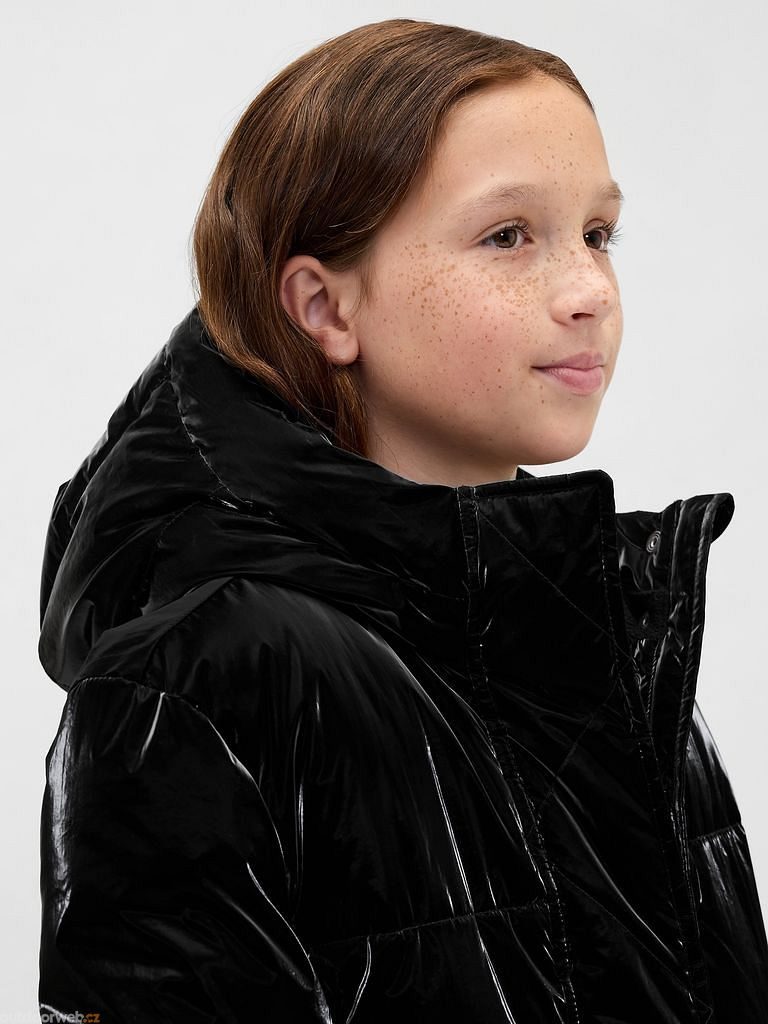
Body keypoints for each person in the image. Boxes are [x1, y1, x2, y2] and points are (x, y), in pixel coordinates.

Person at [37, 17, 768, 1023]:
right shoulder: (199, 683)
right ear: (325, 308)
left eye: (599, 234)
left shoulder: (616, 649)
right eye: (508, 236)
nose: (590, 291)